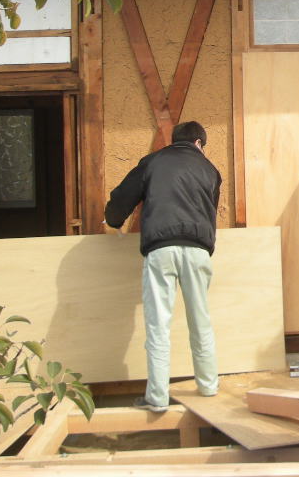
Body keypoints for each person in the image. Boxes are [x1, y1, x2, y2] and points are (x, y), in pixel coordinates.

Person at [104, 120, 222, 413]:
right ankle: (208, 386)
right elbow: (210, 212)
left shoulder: (153, 162)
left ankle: (157, 398)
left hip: (161, 249)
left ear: (174, 140)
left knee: (158, 325)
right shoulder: (210, 170)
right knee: (201, 320)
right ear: (199, 143)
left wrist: (114, 221)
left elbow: (122, 197)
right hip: (198, 250)